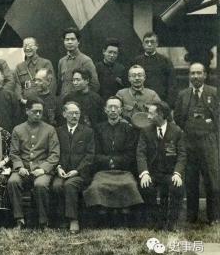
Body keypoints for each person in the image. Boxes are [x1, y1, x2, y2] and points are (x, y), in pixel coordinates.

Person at [83, 97, 143, 225]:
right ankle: (104, 216)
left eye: (116, 107)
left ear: (121, 110)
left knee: (129, 185)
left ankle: (123, 217)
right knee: (96, 186)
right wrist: (108, 161)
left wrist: (115, 161)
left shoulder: (129, 130)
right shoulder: (98, 129)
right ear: (105, 110)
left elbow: (130, 154)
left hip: (123, 171)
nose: (113, 110)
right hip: (103, 171)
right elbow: (95, 153)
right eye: (110, 107)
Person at [174, 62, 219, 225]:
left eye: (199, 73)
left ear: (205, 75)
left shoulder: (214, 93)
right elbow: (178, 119)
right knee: (191, 180)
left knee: (212, 181)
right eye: (192, 73)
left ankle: (213, 216)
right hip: (189, 143)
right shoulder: (183, 95)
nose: (195, 76)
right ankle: (191, 216)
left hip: (209, 142)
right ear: (189, 76)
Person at [7, 98, 60, 229]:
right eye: (35, 111)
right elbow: (14, 153)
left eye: (40, 112)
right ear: (27, 111)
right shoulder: (18, 129)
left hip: (42, 169)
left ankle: (43, 221)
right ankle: (19, 219)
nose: (38, 115)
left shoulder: (50, 129)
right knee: (13, 182)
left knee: (40, 184)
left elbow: (54, 154)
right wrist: (19, 167)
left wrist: (43, 169)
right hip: (23, 169)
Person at [137, 101, 186, 231]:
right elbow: (140, 154)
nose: (148, 117)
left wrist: (177, 173)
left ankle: (172, 222)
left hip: (170, 173)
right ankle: (155, 222)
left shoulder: (176, 131)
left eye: (151, 114)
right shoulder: (146, 131)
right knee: (146, 186)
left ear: (161, 115)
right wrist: (144, 173)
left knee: (177, 186)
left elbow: (182, 155)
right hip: (152, 173)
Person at [52, 102, 94, 234]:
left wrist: (77, 170)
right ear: (64, 114)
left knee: (70, 185)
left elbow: (90, 155)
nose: (74, 116)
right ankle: (61, 218)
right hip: (62, 171)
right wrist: (58, 167)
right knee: (57, 186)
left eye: (77, 113)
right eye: (71, 113)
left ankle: (73, 219)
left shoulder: (87, 132)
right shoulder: (58, 131)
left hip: (80, 173)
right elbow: (54, 152)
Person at [132, 32, 177, 106]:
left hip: (160, 101)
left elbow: (172, 84)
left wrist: (168, 104)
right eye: (147, 42)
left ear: (157, 44)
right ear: (143, 44)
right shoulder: (136, 61)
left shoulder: (165, 61)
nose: (149, 44)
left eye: (152, 42)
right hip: (141, 101)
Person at [57, 28, 99, 99]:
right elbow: (60, 84)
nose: (69, 42)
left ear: (78, 41)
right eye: (67, 39)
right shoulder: (62, 61)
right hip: (63, 102)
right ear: (64, 41)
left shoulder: (86, 61)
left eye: (72, 39)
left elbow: (95, 85)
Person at [13, 37, 56, 105]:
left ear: (36, 47)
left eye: (30, 45)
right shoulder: (19, 67)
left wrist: (46, 101)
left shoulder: (45, 63)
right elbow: (17, 85)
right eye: (25, 46)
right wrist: (21, 99)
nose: (27, 48)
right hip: (26, 103)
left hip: (43, 103)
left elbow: (51, 84)